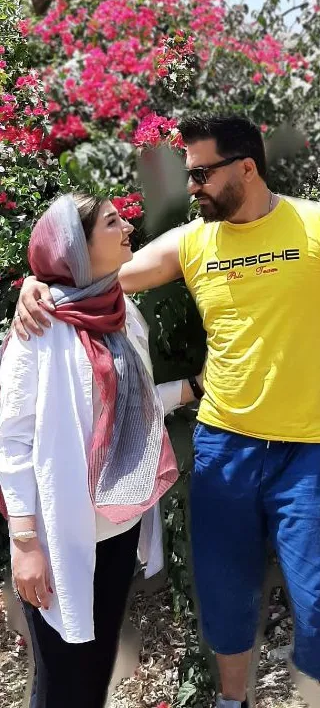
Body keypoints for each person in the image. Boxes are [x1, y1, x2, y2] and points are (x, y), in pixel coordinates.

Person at [15, 115, 320, 708]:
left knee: (318, 599)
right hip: (224, 446)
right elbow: (93, 275)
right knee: (225, 593)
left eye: (202, 173)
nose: (193, 186)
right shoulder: (194, 242)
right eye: (189, 175)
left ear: (246, 168)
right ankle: (234, 702)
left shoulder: (315, 224)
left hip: (311, 451)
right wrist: (36, 283)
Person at [0, 192, 203, 708]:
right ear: (79, 249)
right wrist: (23, 543)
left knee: (95, 670)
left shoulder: (122, 312)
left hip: (117, 521)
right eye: (112, 222)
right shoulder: (39, 331)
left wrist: (189, 389)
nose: (128, 225)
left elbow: (127, 410)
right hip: (57, 534)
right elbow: (14, 440)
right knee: (61, 678)